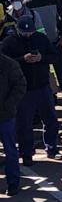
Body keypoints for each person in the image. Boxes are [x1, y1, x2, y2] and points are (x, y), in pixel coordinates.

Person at [0, 15, 61, 165]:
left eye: (30, 31)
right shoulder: (9, 43)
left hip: (42, 85)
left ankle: (52, 148)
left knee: (51, 119)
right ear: (17, 29)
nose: (28, 34)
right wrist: (22, 59)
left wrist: (41, 58)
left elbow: (55, 56)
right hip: (23, 90)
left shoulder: (41, 38)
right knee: (24, 124)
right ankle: (27, 153)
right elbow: (5, 63)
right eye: (24, 32)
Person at [0, 49, 26, 194]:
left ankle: (13, 183)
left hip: (5, 116)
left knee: (10, 150)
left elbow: (20, 85)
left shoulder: (9, 64)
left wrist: (8, 105)